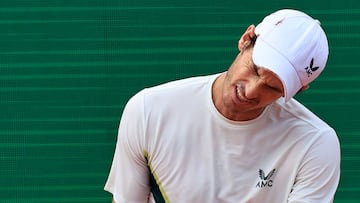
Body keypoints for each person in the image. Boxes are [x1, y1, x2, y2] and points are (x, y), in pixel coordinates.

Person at [104, 9, 340, 203]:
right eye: (255, 69)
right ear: (246, 39)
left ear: (298, 91)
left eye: (273, 88)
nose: (250, 91)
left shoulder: (316, 143)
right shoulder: (148, 110)